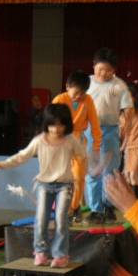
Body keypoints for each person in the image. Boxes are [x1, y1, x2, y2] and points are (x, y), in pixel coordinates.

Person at [0, 104, 86, 267]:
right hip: (44, 185)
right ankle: (40, 252)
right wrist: (3, 164)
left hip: (64, 185)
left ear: (67, 125)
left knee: (61, 218)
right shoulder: (39, 141)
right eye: (52, 125)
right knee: (41, 218)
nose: (56, 129)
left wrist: (84, 170)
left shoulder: (71, 140)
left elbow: (82, 155)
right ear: (46, 124)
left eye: (61, 125)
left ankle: (60, 255)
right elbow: (22, 156)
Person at [84, 48, 133, 224]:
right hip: (89, 130)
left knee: (110, 170)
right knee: (93, 171)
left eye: (108, 70)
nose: (104, 73)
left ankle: (108, 205)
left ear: (114, 70)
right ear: (94, 66)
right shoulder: (86, 83)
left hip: (110, 130)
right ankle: (95, 209)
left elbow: (128, 109)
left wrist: (126, 129)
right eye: (100, 69)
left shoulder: (119, 85)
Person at [52, 70, 102, 224]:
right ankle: (61, 208)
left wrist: (96, 146)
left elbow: (95, 124)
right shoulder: (59, 99)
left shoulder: (88, 100)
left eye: (83, 93)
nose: (79, 96)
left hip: (79, 142)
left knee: (79, 178)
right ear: (67, 86)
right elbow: (50, 122)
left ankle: (74, 208)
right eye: (76, 93)